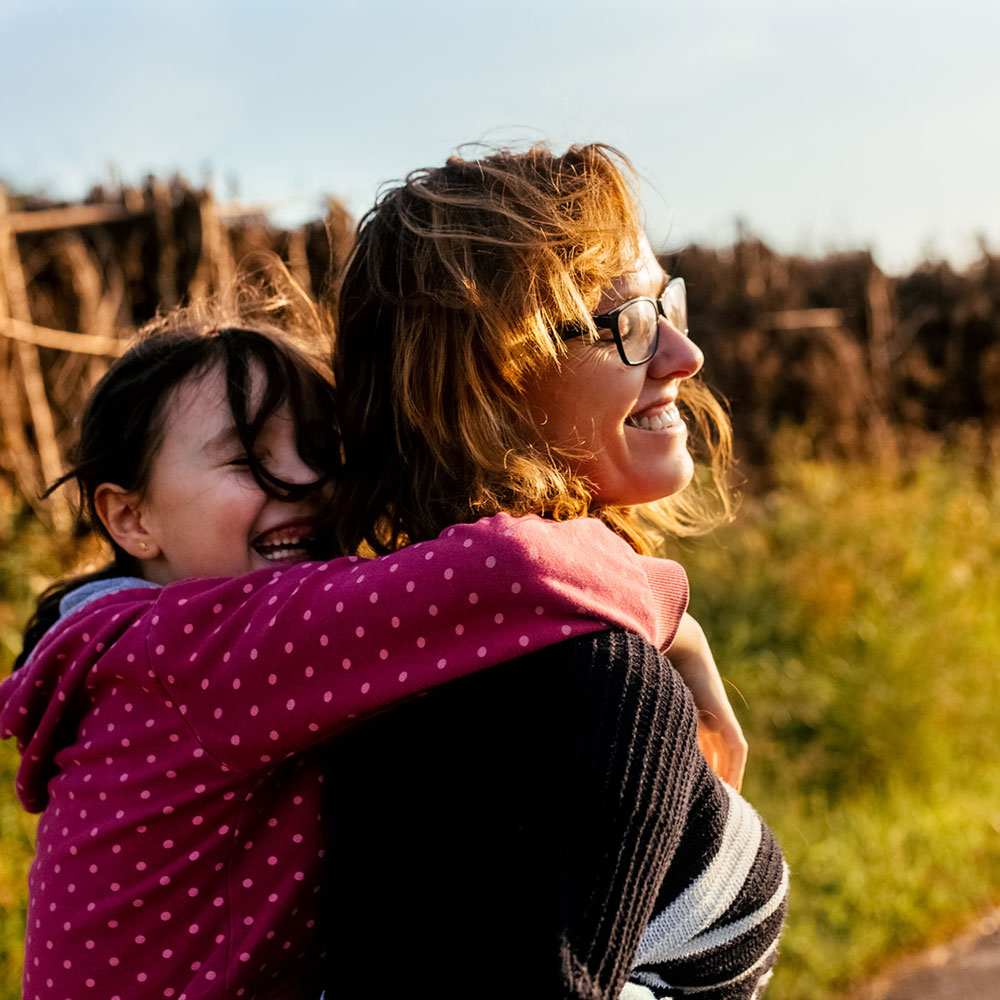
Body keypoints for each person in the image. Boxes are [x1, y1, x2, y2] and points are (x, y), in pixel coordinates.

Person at [1, 291, 712, 1000]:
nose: (308, 481)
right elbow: (511, 573)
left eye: (320, 450)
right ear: (130, 518)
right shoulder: (190, 653)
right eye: (250, 458)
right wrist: (676, 619)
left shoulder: (124, 650)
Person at [326, 142, 789, 998]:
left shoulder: (404, 659)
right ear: (489, 383)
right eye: (629, 325)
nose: (684, 356)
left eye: (666, 305)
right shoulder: (586, 688)